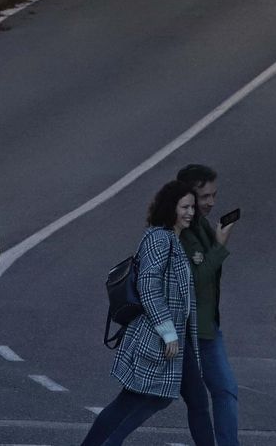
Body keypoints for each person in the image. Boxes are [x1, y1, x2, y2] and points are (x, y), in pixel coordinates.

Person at [80, 182, 214, 446]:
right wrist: (168, 332)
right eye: (184, 207)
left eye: (192, 207)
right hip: (158, 338)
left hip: (176, 339)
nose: (190, 212)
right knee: (130, 400)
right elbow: (148, 286)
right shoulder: (158, 238)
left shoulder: (173, 239)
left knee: (195, 400)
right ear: (170, 208)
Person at [176, 164, 240, 446]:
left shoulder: (199, 225)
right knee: (148, 401)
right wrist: (220, 247)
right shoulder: (182, 232)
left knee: (223, 391)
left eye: (214, 195)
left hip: (206, 327)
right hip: (187, 329)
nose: (211, 202)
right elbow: (194, 280)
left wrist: (214, 244)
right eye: (205, 197)